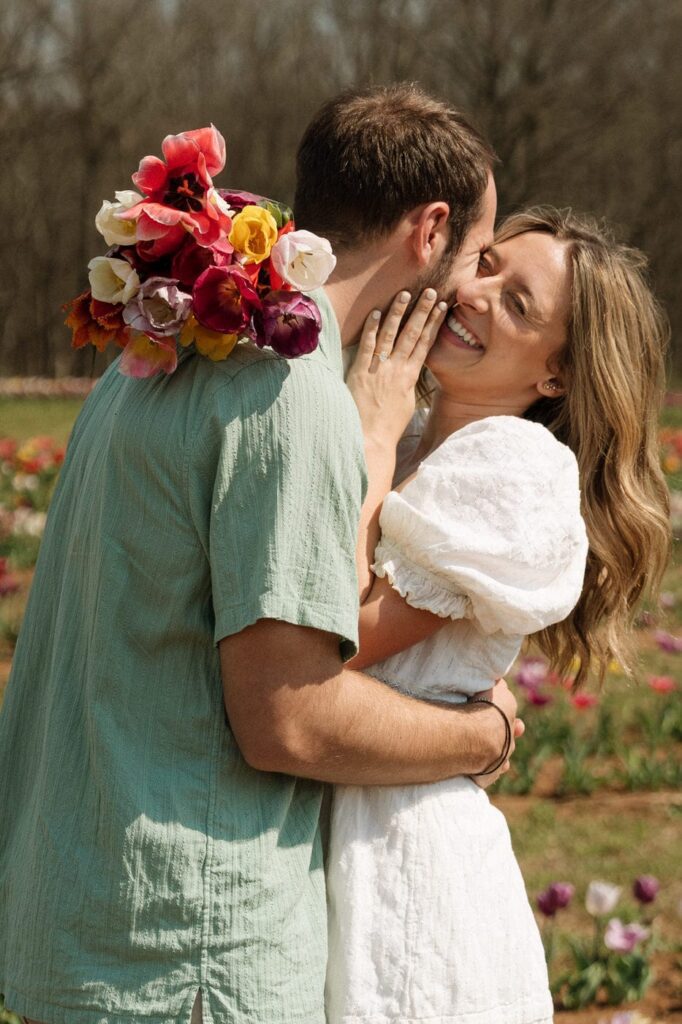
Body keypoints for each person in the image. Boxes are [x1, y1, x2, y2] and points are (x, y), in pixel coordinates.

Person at [0, 85, 511, 1024]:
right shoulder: (289, 391)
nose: (474, 286)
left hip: (80, 915)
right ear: (429, 230)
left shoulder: (161, 348)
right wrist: (486, 736)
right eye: (478, 253)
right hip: (190, 951)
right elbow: (290, 719)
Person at [325, 207, 672, 1023]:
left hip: (405, 860)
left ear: (555, 376)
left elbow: (335, 636)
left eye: (518, 305)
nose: (475, 293)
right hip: (345, 820)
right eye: (486, 266)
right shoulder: (412, 433)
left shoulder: (511, 468)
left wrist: (369, 441)